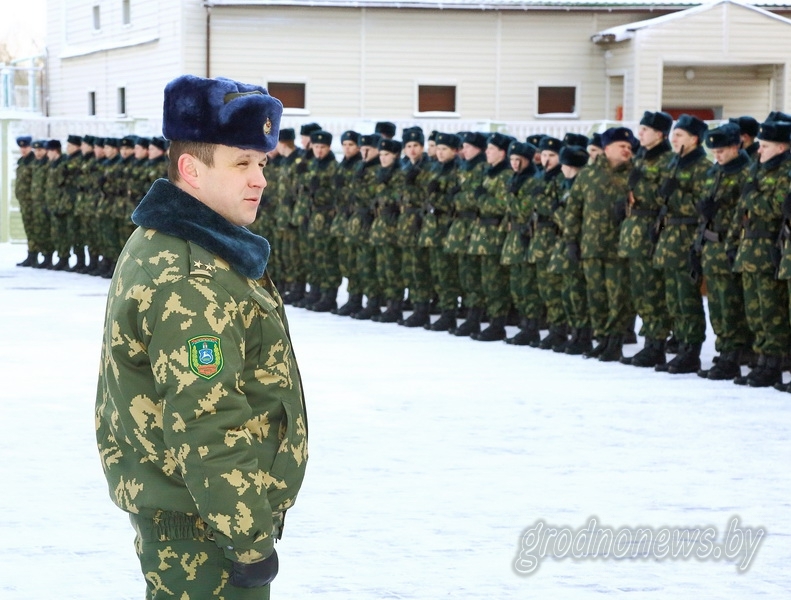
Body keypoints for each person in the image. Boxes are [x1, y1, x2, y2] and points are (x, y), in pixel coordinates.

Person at [95, 74, 308, 599]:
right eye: (241, 163)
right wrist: (250, 541)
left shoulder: (193, 248)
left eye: (262, 163)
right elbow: (206, 418)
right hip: (207, 534)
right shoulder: (189, 276)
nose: (259, 179)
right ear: (190, 169)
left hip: (203, 519)